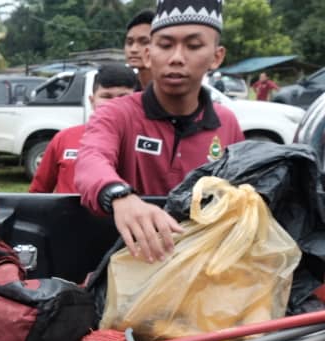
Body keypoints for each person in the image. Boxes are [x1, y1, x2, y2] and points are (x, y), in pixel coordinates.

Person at [75, 0, 244, 264]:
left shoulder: (227, 123)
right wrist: (120, 195)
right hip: (130, 262)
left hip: (204, 266)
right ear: (147, 54)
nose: (176, 57)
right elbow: (90, 161)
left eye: (193, 46)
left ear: (216, 56)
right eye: (165, 45)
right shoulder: (117, 114)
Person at [30, 65, 138, 194]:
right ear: (92, 101)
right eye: (106, 96)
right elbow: (38, 192)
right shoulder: (64, 139)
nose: (114, 103)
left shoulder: (146, 143)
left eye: (123, 97)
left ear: (136, 102)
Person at [125, 10, 155, 90]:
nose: (133, 49)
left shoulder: (175, 87)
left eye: (144, 42)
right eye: (129, 42)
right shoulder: (125, 88)